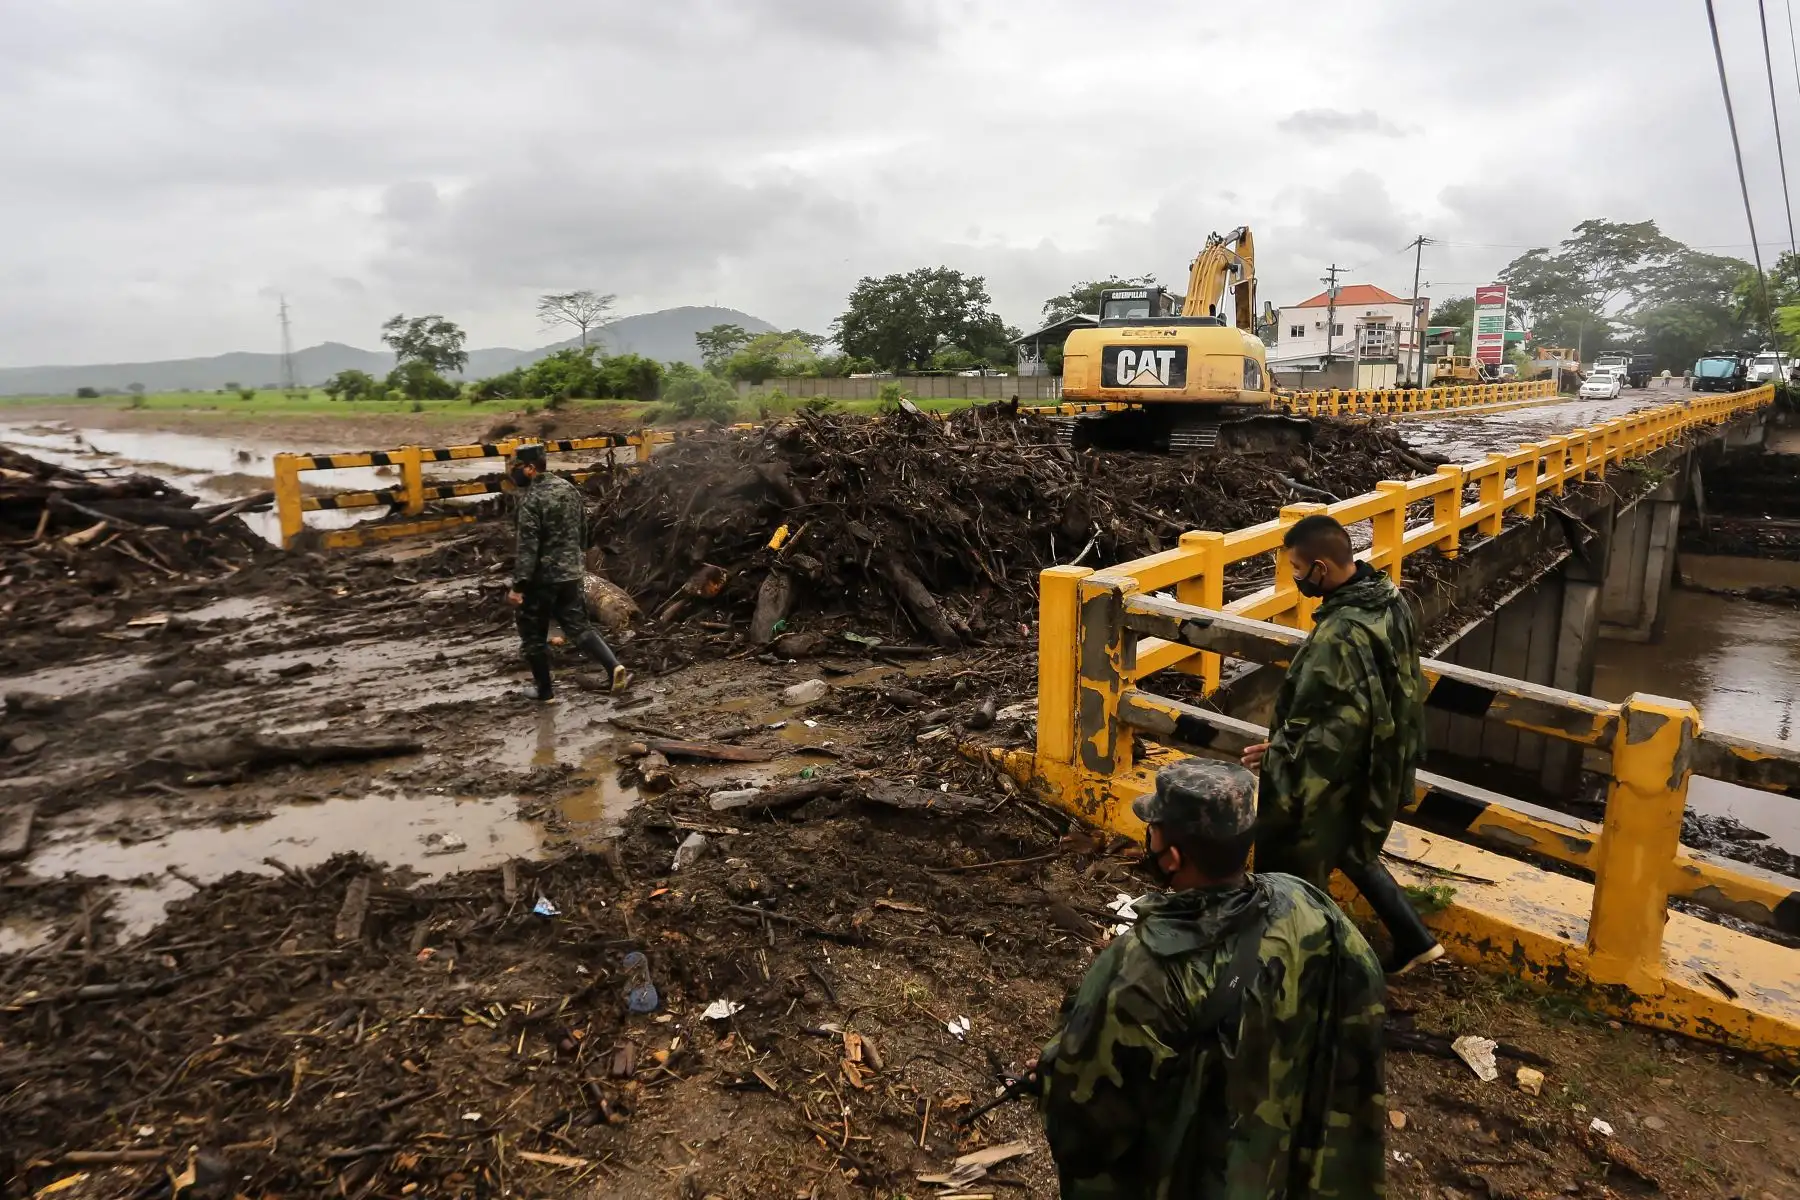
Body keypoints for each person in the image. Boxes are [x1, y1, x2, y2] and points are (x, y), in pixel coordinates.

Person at [1036, 759, 1388, 1199]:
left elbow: (1086, 1129)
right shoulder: (1305, 903)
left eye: (1154, 829)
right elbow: (1364, 991)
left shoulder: (1147, 968)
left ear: (1173, 856)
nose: (1148, 836)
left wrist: (1054, 1068)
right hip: (1277, 1168)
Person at [1242, 513, 1442, 975]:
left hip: (1339, 764)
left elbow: (1332, 719)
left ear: (1321, 568)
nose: (1294, 578)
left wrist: (1280, 753)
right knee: (1353, 848)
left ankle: (1314, 964)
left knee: (1298, 858)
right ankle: (1415, 938)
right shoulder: (1388, 599)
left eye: (1296, 568)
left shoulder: (1338, 634)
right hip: (1383, 748)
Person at [506, 444, 629, 701]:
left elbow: (528, 548)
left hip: (542, 579)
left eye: (515, 467)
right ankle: (614, 667)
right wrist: (577, 557)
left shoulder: (531, 500)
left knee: (533, 635)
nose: (511, 472)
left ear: (529, 469)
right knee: (579, 626)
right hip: (572, 574)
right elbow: (585, 529)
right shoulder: (568, 489)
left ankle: (544, 691)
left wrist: (518, 586)